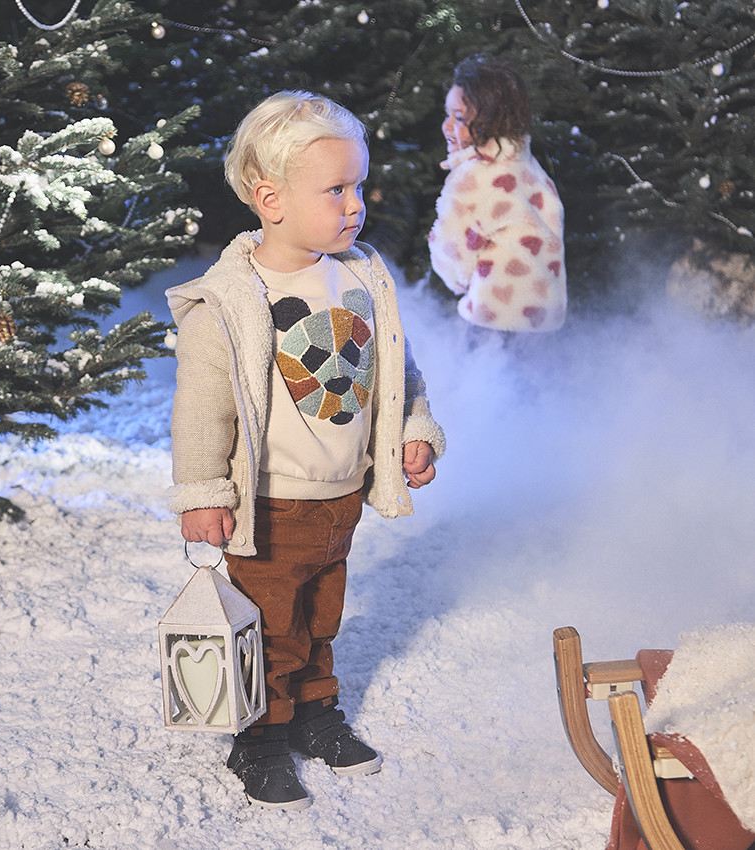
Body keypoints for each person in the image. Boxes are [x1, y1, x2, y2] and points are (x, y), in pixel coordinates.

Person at [166, 91, 446, 811]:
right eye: (335, 189)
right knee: (269, 626)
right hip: (272, 502)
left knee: (321, 617)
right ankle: (258, 736)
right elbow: (202, 411)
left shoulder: (360, 274)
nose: (355, 204)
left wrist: (414, 429)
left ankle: (315, 711)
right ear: (271, 199)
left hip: (340, 496)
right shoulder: (231, 300)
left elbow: (396, 370)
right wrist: (202, 494)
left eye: (358, 185)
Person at [428, 53, 567, 333]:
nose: (446, 127)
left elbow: (452, 258)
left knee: (486, 377)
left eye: (458, 118)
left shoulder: (474, 177)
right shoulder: (529, 167)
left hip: (492, 322)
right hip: (545, 322)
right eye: (447, 115)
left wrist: (459, 281)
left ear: (489, 121)